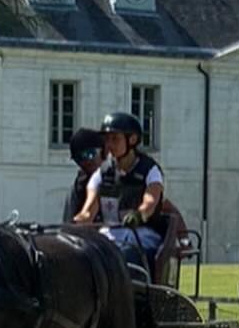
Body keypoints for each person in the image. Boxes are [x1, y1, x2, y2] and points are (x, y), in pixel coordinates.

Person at [74, 110, 165, 270]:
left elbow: (150, 201)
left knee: (124, 255)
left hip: (141, 235)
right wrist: (75, 223)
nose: (109, 145)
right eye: (107, 140)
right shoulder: (101, 173)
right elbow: (88, 212)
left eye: (115, 139)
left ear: (132, 139)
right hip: (109, 234)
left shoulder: (150, 170)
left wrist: (138, 215)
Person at [63, 128, 105, 222]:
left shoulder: (119, 177)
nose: (85, 161)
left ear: (103, 151)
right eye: (78, 158)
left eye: (90, 154)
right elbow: (69, 224)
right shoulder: (78, 187)